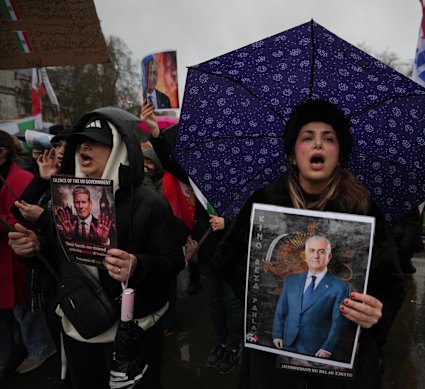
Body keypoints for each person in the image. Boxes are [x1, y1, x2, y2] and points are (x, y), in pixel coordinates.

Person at [215, 99, 404, 388]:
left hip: (339, 362)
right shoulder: (264, 201)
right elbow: (227, 259)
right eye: (307, 137)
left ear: (339, 155)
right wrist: (259, 293)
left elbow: (391, 283)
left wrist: (378, 312)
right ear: (293, 155)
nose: (318, 144)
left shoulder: (364, 209)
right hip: (273, 361)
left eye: (329, 138)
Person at [8, 108, 184, 389]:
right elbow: (58, 263)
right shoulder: (66, 198)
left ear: (119, 147)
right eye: (81, 140)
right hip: (78, 327)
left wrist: (137, 265)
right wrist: (34, 251)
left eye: (96, 140)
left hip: (132, 333)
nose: (84, 146)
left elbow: (174, 262)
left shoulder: (149, 203)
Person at [141, 102, 241, 374]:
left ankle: (234, 346)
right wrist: (156, 134)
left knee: (232, 301)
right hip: (206, 248)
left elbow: (254, 212)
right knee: (213, 301)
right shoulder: (200, 172)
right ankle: (221, 342)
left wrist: (228, 221)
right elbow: (172, 164)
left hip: (232, 251)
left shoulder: (243, 173)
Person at [0, 130, 56, 381]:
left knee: (24, 310)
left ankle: (40, 347)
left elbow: (22, 217)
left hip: (16, 258)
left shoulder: (20, 177)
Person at [273, 235, 349, 359]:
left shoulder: (339, 287)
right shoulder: (291, 280)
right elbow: (281, 311)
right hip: (286, 343)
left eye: (322, 252)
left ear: (329, 257)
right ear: (306, 255)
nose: (316, 256)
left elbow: (338, 322)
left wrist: (327, 347)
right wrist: (277, 334)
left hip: (315, 349)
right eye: (311, 251)